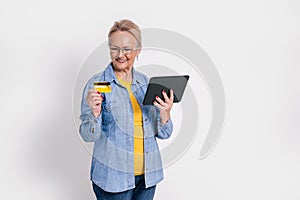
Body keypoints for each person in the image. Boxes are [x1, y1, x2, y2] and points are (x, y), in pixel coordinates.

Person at [79, 19, 174, 200]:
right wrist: (94, 114)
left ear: (138, 50)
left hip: (147, 178)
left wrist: (165, 113)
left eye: (127, 49)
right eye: (114, 48)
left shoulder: (146, 83)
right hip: (113, 180)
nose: (120, 54)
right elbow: (87, 135)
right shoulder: (97, 84)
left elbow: (164, 134)